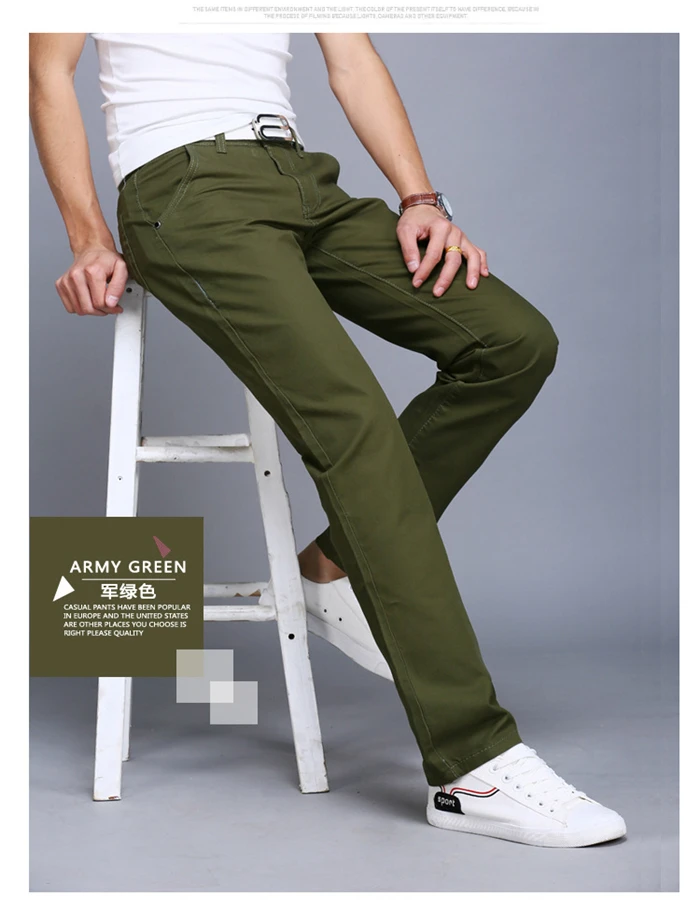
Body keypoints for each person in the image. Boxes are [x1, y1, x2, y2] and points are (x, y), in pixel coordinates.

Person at [29, 32, 626, 847]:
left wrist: (421, 201)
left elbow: (352, 60)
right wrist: (88, 236)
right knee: (355, 426)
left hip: (304, 179)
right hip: (184, 190)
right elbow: (47, 70)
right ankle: (472, 764)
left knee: (512, 343)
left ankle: (329, 564)